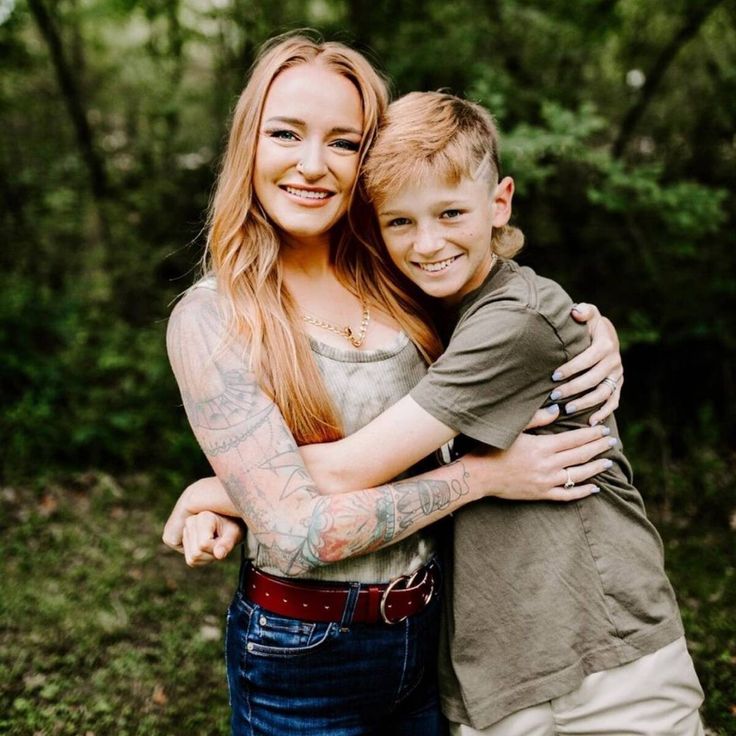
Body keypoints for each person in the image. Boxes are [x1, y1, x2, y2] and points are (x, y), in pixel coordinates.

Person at [162, 34, 623, 735]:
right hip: (302, 651)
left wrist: (593, 329)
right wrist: (486, 477)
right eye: (286, 133)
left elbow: (509, 314)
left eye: (343, 143)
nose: (312, 165)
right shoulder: (212, 318)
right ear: (247, 143)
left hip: (436, 629)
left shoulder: (397, 274)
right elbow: (298, 529)